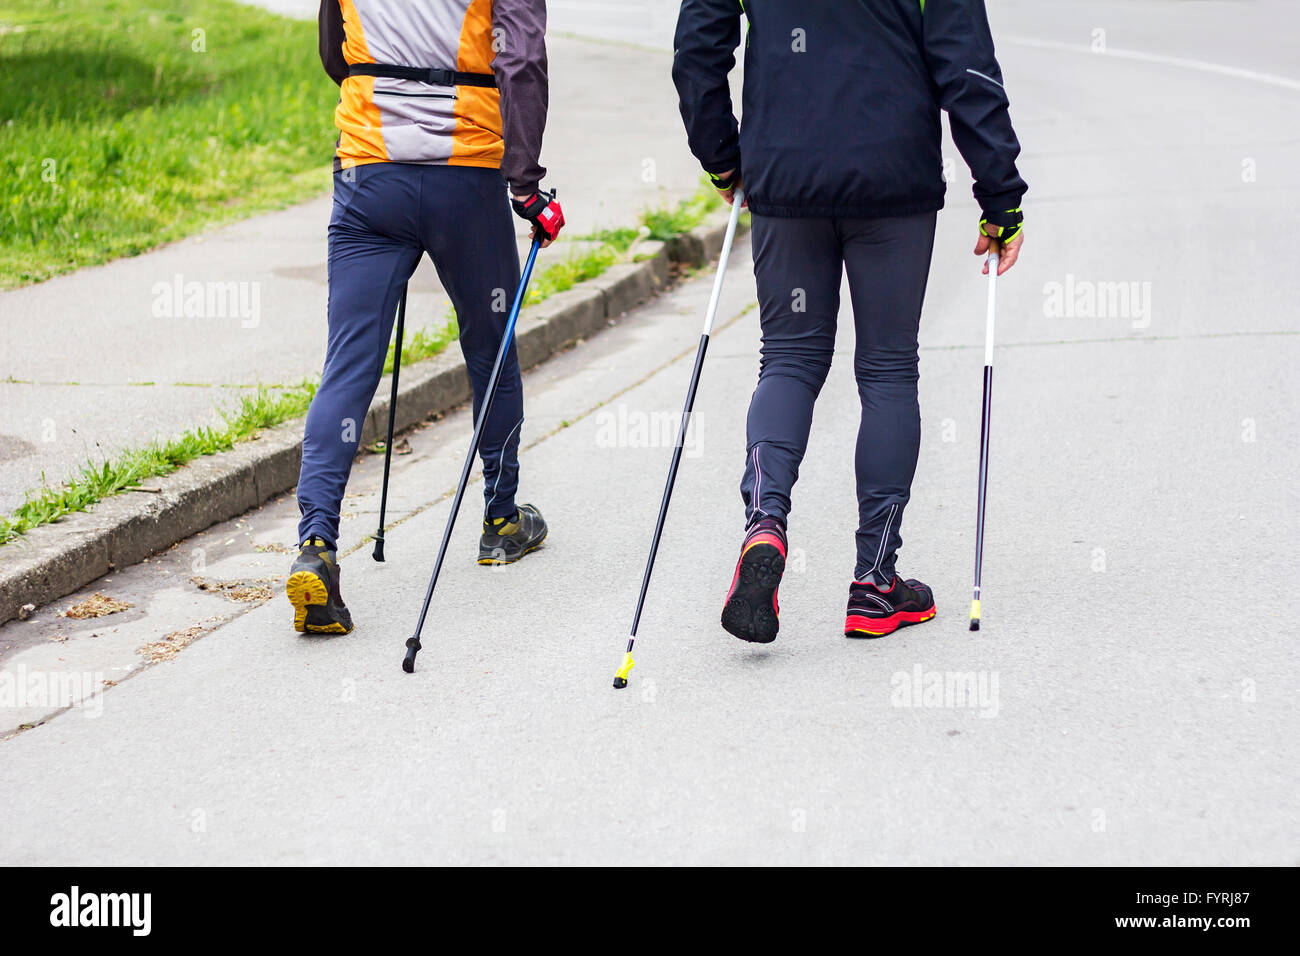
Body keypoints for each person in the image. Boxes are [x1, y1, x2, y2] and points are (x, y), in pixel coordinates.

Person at [672, 0, 1026, 643]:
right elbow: (966, 66)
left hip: (786, 172)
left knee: (789, 358)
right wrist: (999, 193)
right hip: (892, 177)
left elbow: (698, 48)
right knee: (888, 367)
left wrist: (722, 154)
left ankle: (765, 525)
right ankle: (874, 583)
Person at [287, 0, 564, 635]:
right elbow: (522, 59)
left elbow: (334, 50)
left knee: (348, 366)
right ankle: (501, 520)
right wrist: (525, 182)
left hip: (369, 176)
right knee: (490, 347)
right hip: (465, 179)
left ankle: (316, 546)